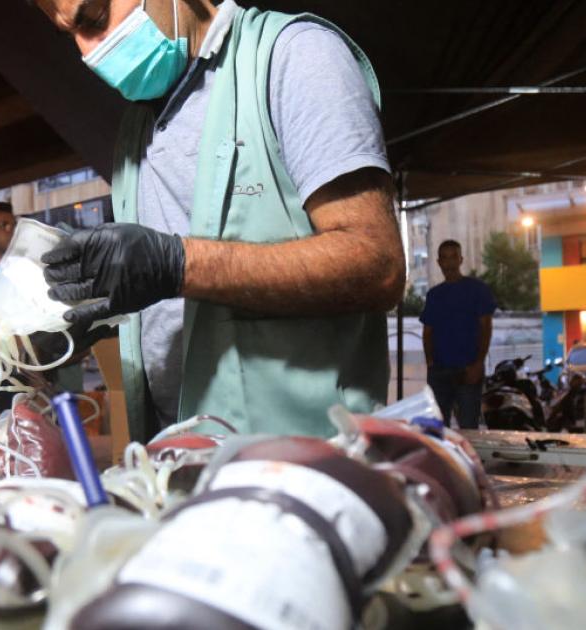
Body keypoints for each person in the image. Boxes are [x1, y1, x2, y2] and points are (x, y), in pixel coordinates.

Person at [33, 0, 405, 440]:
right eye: (69, 33)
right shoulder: (136, 128)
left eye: (94, 17)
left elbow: (377, 265)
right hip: (178, 455)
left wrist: (179, 265)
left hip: (302, 459)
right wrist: (86, 319)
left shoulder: (294, 57)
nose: (87, 51)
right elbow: (159, 298)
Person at [421, 240, 496, 430]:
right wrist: (430, 363)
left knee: (469, 428)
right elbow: (427, 332)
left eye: (453, 257)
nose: (449, 263)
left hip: (468, 370)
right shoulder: (434, 295)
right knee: (438, 428)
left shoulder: (477, 290)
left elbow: (486, 327)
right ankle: (446, 460)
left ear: (461, 259)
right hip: (439, 372)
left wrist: (478, 363)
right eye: (444, 258)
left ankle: (468, 460)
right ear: (438, 262)